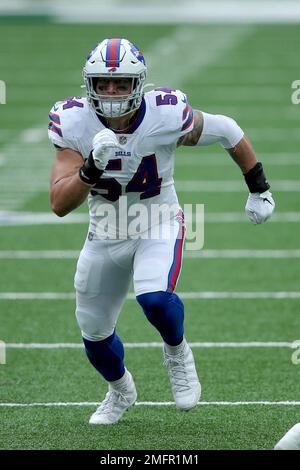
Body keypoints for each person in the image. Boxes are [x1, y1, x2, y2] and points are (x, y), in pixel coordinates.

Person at [48, 38, 275, 425]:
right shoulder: (73, 121)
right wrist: (90, 168)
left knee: (154, 298)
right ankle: (120, 390)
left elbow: (226, 129)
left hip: (158, 221)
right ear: (91, 84)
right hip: (105, 232)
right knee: (94, 334)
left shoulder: (164, 113)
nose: (113, 92)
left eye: (122, 84)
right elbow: (59, 203)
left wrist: (259, 187)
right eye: (104, 83)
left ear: (139, 84)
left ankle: (177, 352)